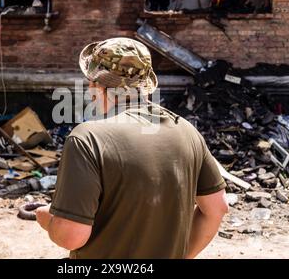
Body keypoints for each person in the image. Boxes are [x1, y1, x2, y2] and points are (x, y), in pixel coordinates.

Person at [36, 38, 229, 259]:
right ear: (146, 84)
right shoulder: (186, 131)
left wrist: (47, 218)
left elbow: (71, 236)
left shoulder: (87, 138)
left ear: (94, 85)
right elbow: (217, 208)